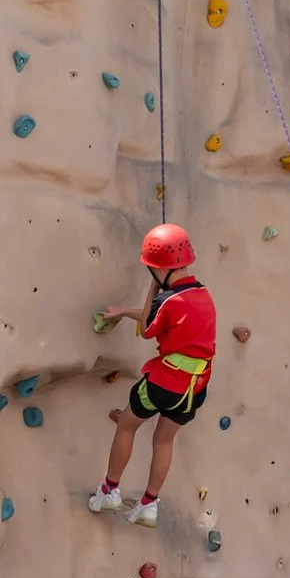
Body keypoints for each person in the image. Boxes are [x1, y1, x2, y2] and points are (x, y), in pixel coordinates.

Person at [88, 222, 216, 527]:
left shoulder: (164, 298)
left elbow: (148, 328)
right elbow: (166, 317)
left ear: (157, 269)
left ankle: (109, 492)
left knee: (127, 426)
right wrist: (122, 312)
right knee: (163, 441)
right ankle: (148, 504)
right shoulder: (203, 294)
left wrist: (151, 289)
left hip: (163, 383)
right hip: (194, 388)